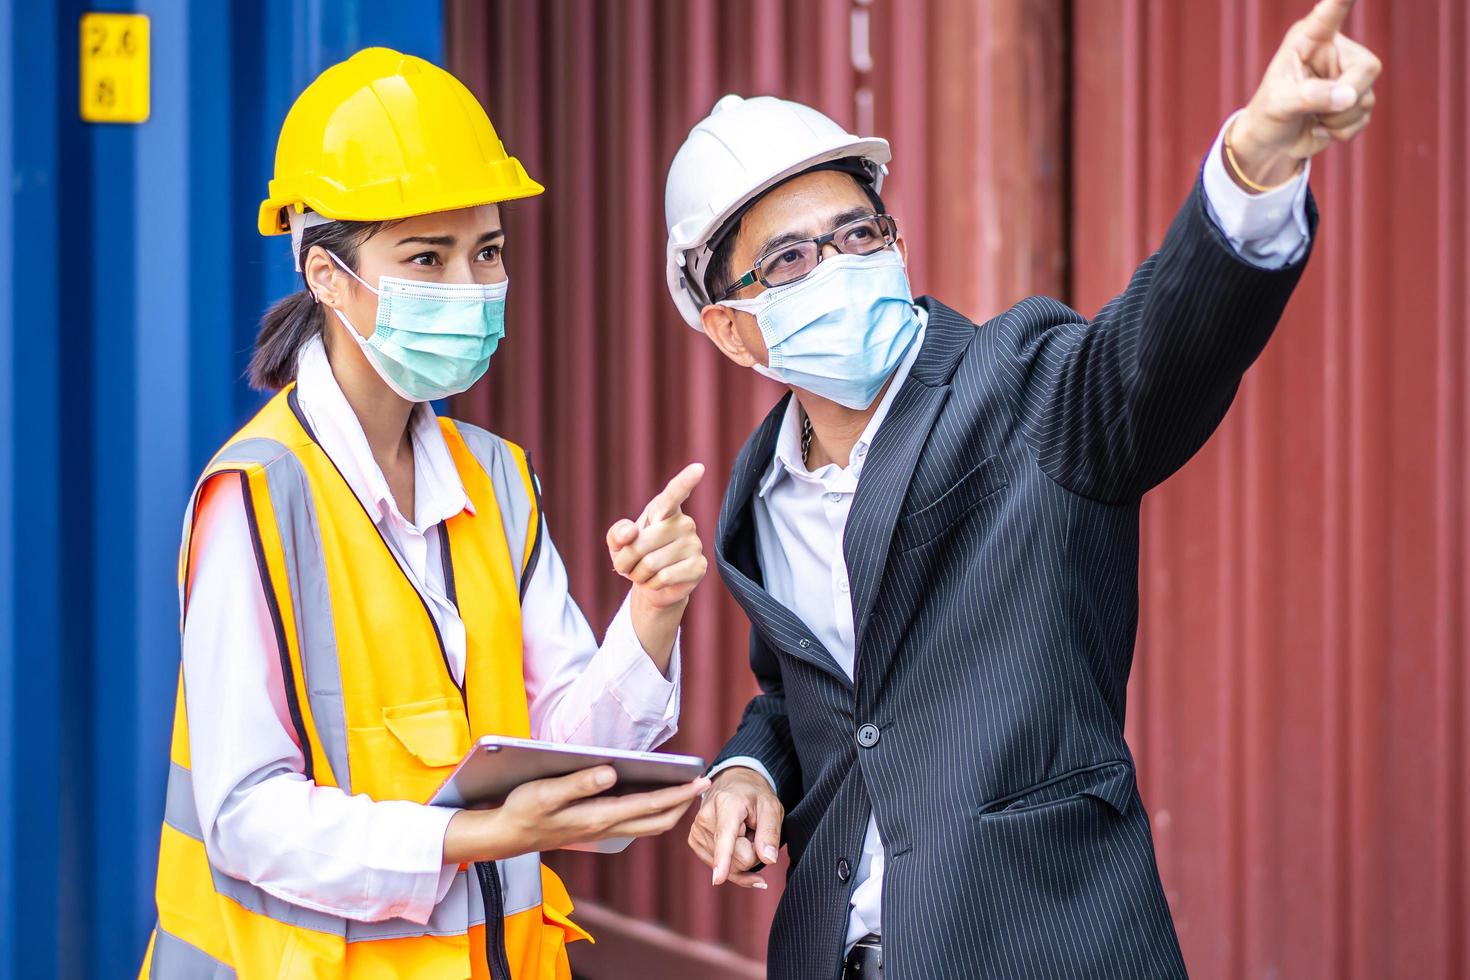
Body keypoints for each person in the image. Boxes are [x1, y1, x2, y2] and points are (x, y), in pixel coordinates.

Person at [667, 2, 1380, 977]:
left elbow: (1151, 358)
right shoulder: (760, 491)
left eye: (857, 233)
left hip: (1041, 944)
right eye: (790, 258)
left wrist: (1252, 166)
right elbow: (810, 691)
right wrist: (749, 767)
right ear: (732, 328)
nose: (837, 266)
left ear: (897, 239)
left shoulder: (1026, 387)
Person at [142, 49, 710, 979]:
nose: (470, 286)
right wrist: (469, 838)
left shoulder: (496, 477)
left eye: (485, 251)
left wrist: (651, 612)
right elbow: (245, 816)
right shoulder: (254, 496)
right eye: (425, 257)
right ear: (326, 276)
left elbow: (562, 752)